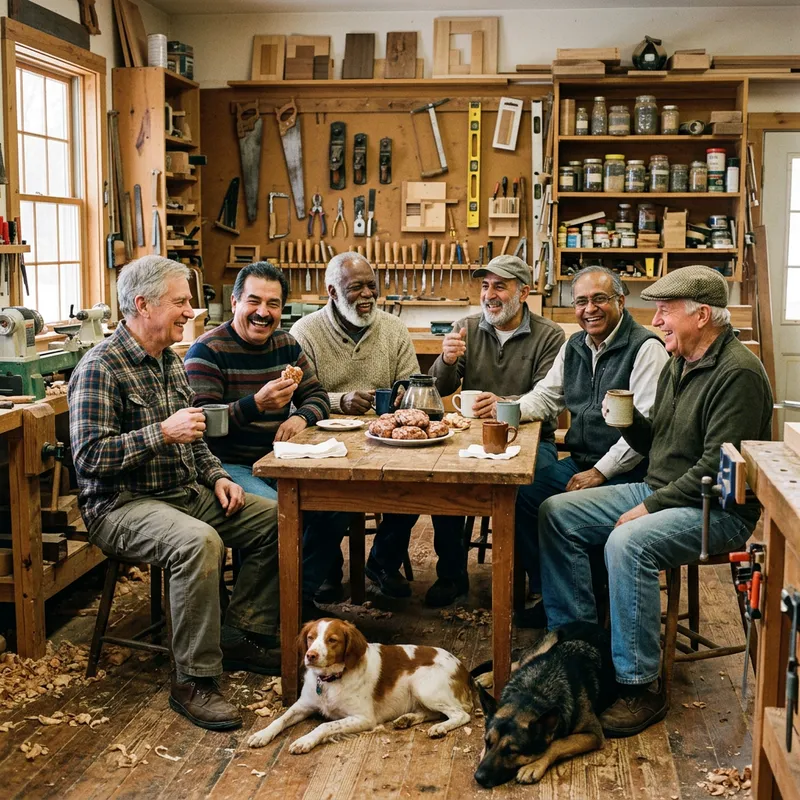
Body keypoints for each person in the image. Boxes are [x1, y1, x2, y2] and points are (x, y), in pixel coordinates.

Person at [537, 265, 773, 737]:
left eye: (666, 310)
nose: (657, 320)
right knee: (555, 512)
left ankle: (640, 685)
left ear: (702, 315)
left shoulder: (738, 374)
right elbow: (658, 440)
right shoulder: (678, 361)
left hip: (716, 508)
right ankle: (581, 645)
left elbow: (716, 466)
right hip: (663, 490)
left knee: (629, 543)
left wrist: (649, 506)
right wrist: (628, 422)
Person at [69, 255, 281, 733]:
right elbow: (89, 459)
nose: (190, 311)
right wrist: (160, 433)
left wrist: (217, 477)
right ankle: (193, 680)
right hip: (122, 506)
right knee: (197, 542)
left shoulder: (169, 360)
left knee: (276, 517)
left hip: (182, 492)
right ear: (143, 304)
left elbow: (196, 438)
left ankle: (240, 634)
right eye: (180, 302)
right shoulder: (100, 368)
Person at [185, 261, 342, 617]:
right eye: (253, 301)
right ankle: (259, 612)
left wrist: (302, 416)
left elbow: (318, 396)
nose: (263, 312)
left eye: (273, 304)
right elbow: (201, 424)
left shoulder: (286, 344)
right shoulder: (207, 351)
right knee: (281, 513)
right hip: (225, 466)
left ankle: (295, 598)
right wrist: (256, 404)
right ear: (235, 301)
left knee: (335, 504)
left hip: (279, 459)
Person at [514, 265, 669, 626]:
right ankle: (554, 593)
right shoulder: (574, 346)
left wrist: (600, 472)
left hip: (631, 470)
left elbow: (643, 432)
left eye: (600, 299)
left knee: (557, 509)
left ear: (620, 301)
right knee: (523, 494)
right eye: (581, 301)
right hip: (582, 459)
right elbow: (547, 396)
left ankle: (581, 617)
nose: (589, 309)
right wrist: (508, 410)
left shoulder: (646, 349)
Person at [425, 255, 565, 607]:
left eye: (500, 286)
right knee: (443, 485)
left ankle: (536, 582)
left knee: (532, 490)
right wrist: (447, 361)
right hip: (473, 437)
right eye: (485, 286)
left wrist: (505, 403)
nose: (489, 295)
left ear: (524, 293)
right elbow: (440, 388)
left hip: (530, 439)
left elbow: (547, 397)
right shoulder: (467, 327)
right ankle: (452, 575)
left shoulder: (549, 335)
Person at [291, 253, 420, 600]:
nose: (367, 294)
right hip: (324, 438)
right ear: (332, 292)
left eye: (371, 286)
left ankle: (383, 562)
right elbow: (296, 399)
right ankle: (326, 569)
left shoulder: (393, 329)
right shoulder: (305, 332)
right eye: (356, 287)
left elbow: (410, 382)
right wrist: (339, 401)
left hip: (384, 438)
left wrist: (404, 396)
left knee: (417, 485)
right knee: (324, 494)